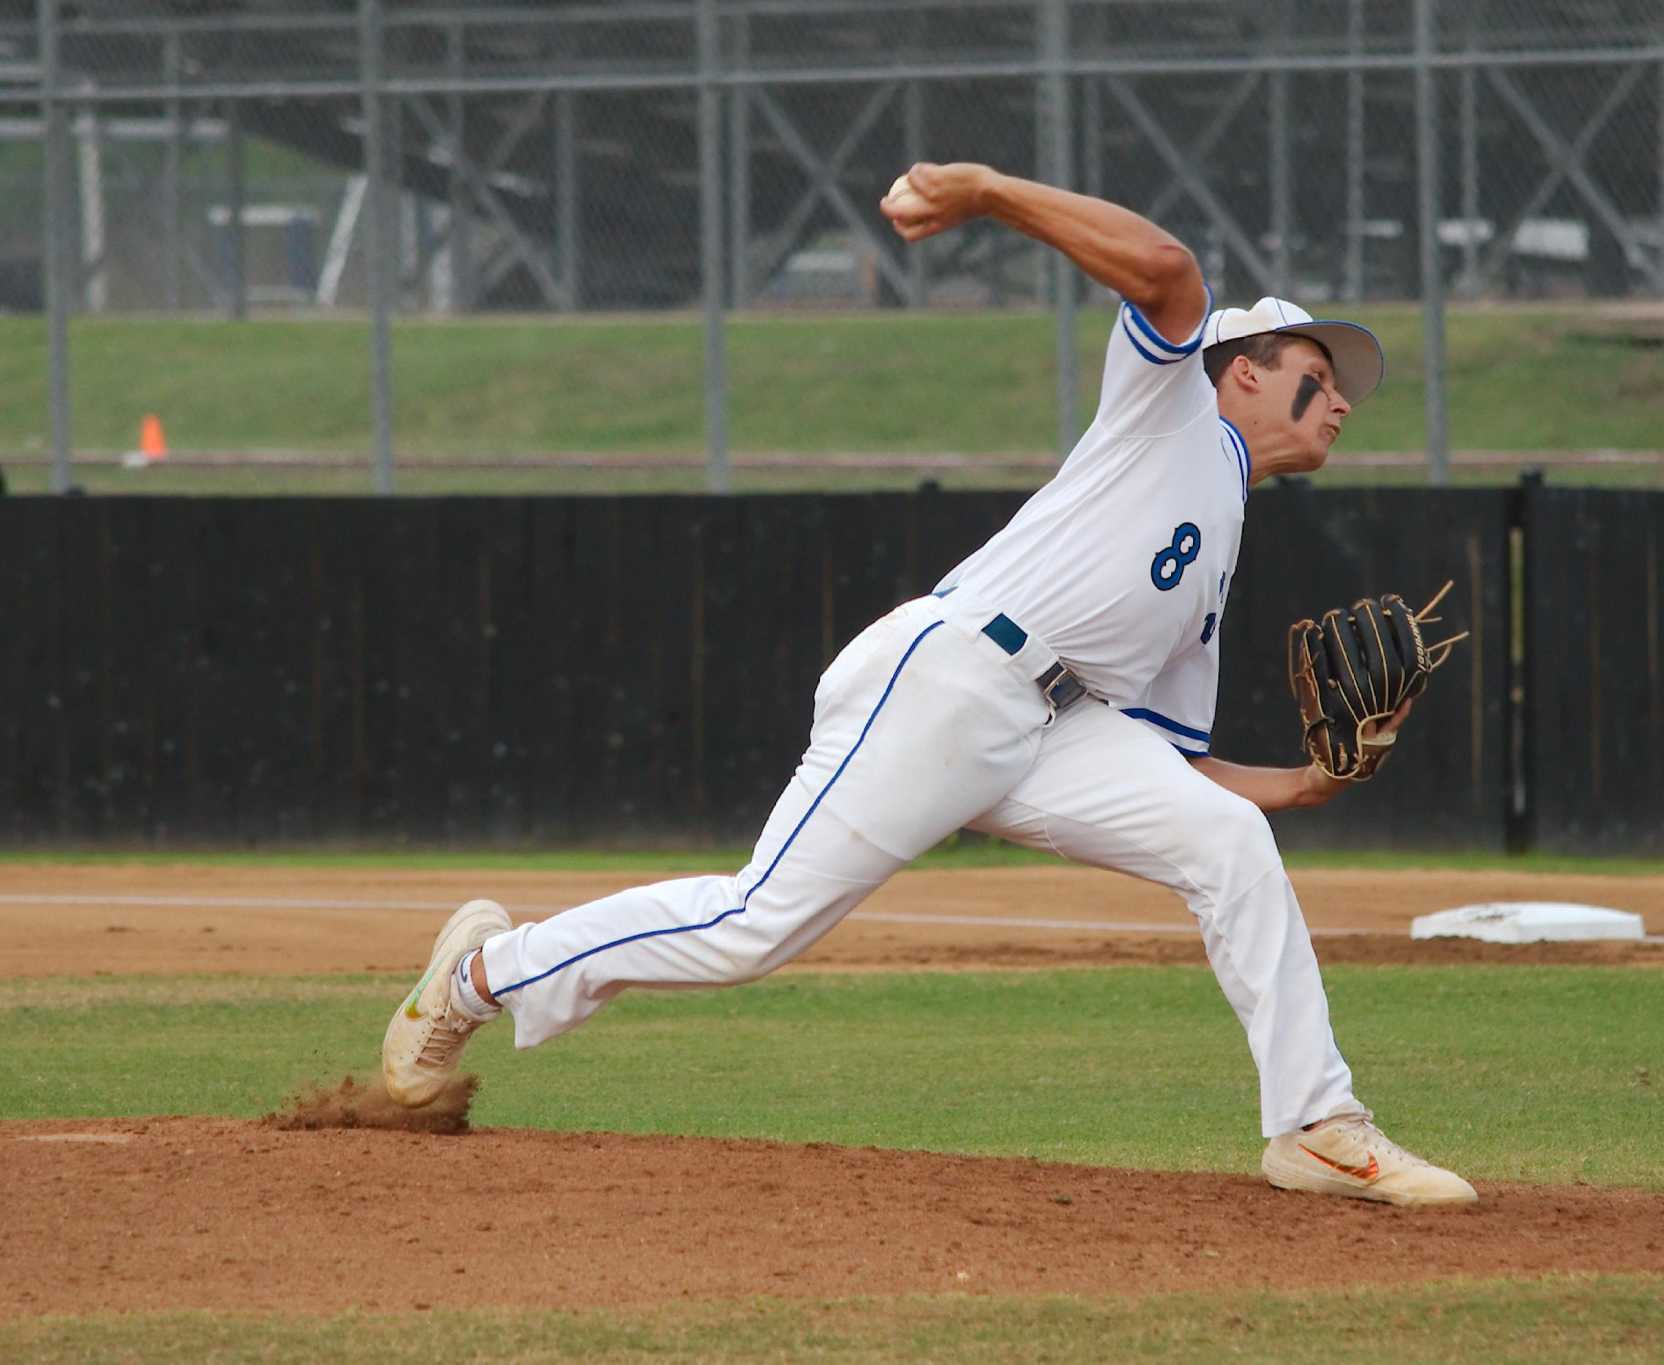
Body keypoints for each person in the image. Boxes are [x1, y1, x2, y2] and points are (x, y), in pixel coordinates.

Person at [383, 163, 1476, 1207]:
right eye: (1314, 376)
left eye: (1340, 391)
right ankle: (476, 978)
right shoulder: (1171, 409)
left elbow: (1173, 765)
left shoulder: (1216, 552)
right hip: (952, 680)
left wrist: (1308, 784)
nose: (1336, 401)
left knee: (1231, 845)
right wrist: (988, 192)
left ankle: (1314, 1126)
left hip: (1057, 729)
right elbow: (1166, 267)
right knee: (753, 926)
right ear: (1242, 367)